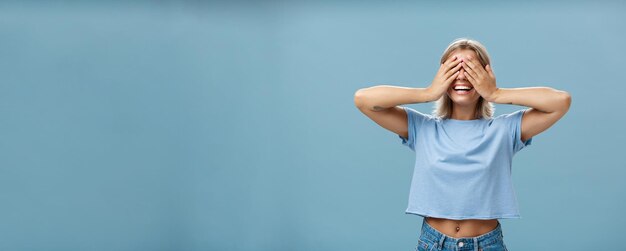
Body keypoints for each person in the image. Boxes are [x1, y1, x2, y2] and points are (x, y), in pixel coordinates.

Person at [353, 38, 571, 251]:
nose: (462, 77)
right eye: (454, 68)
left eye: (471, 69)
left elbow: (560, 102)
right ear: (442, 76)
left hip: (486, 245)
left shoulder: (505, 130)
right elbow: (364, 99)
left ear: (485, 75)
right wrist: (428, 92)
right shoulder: (423, 128)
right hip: (433, 243)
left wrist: (496, 93)